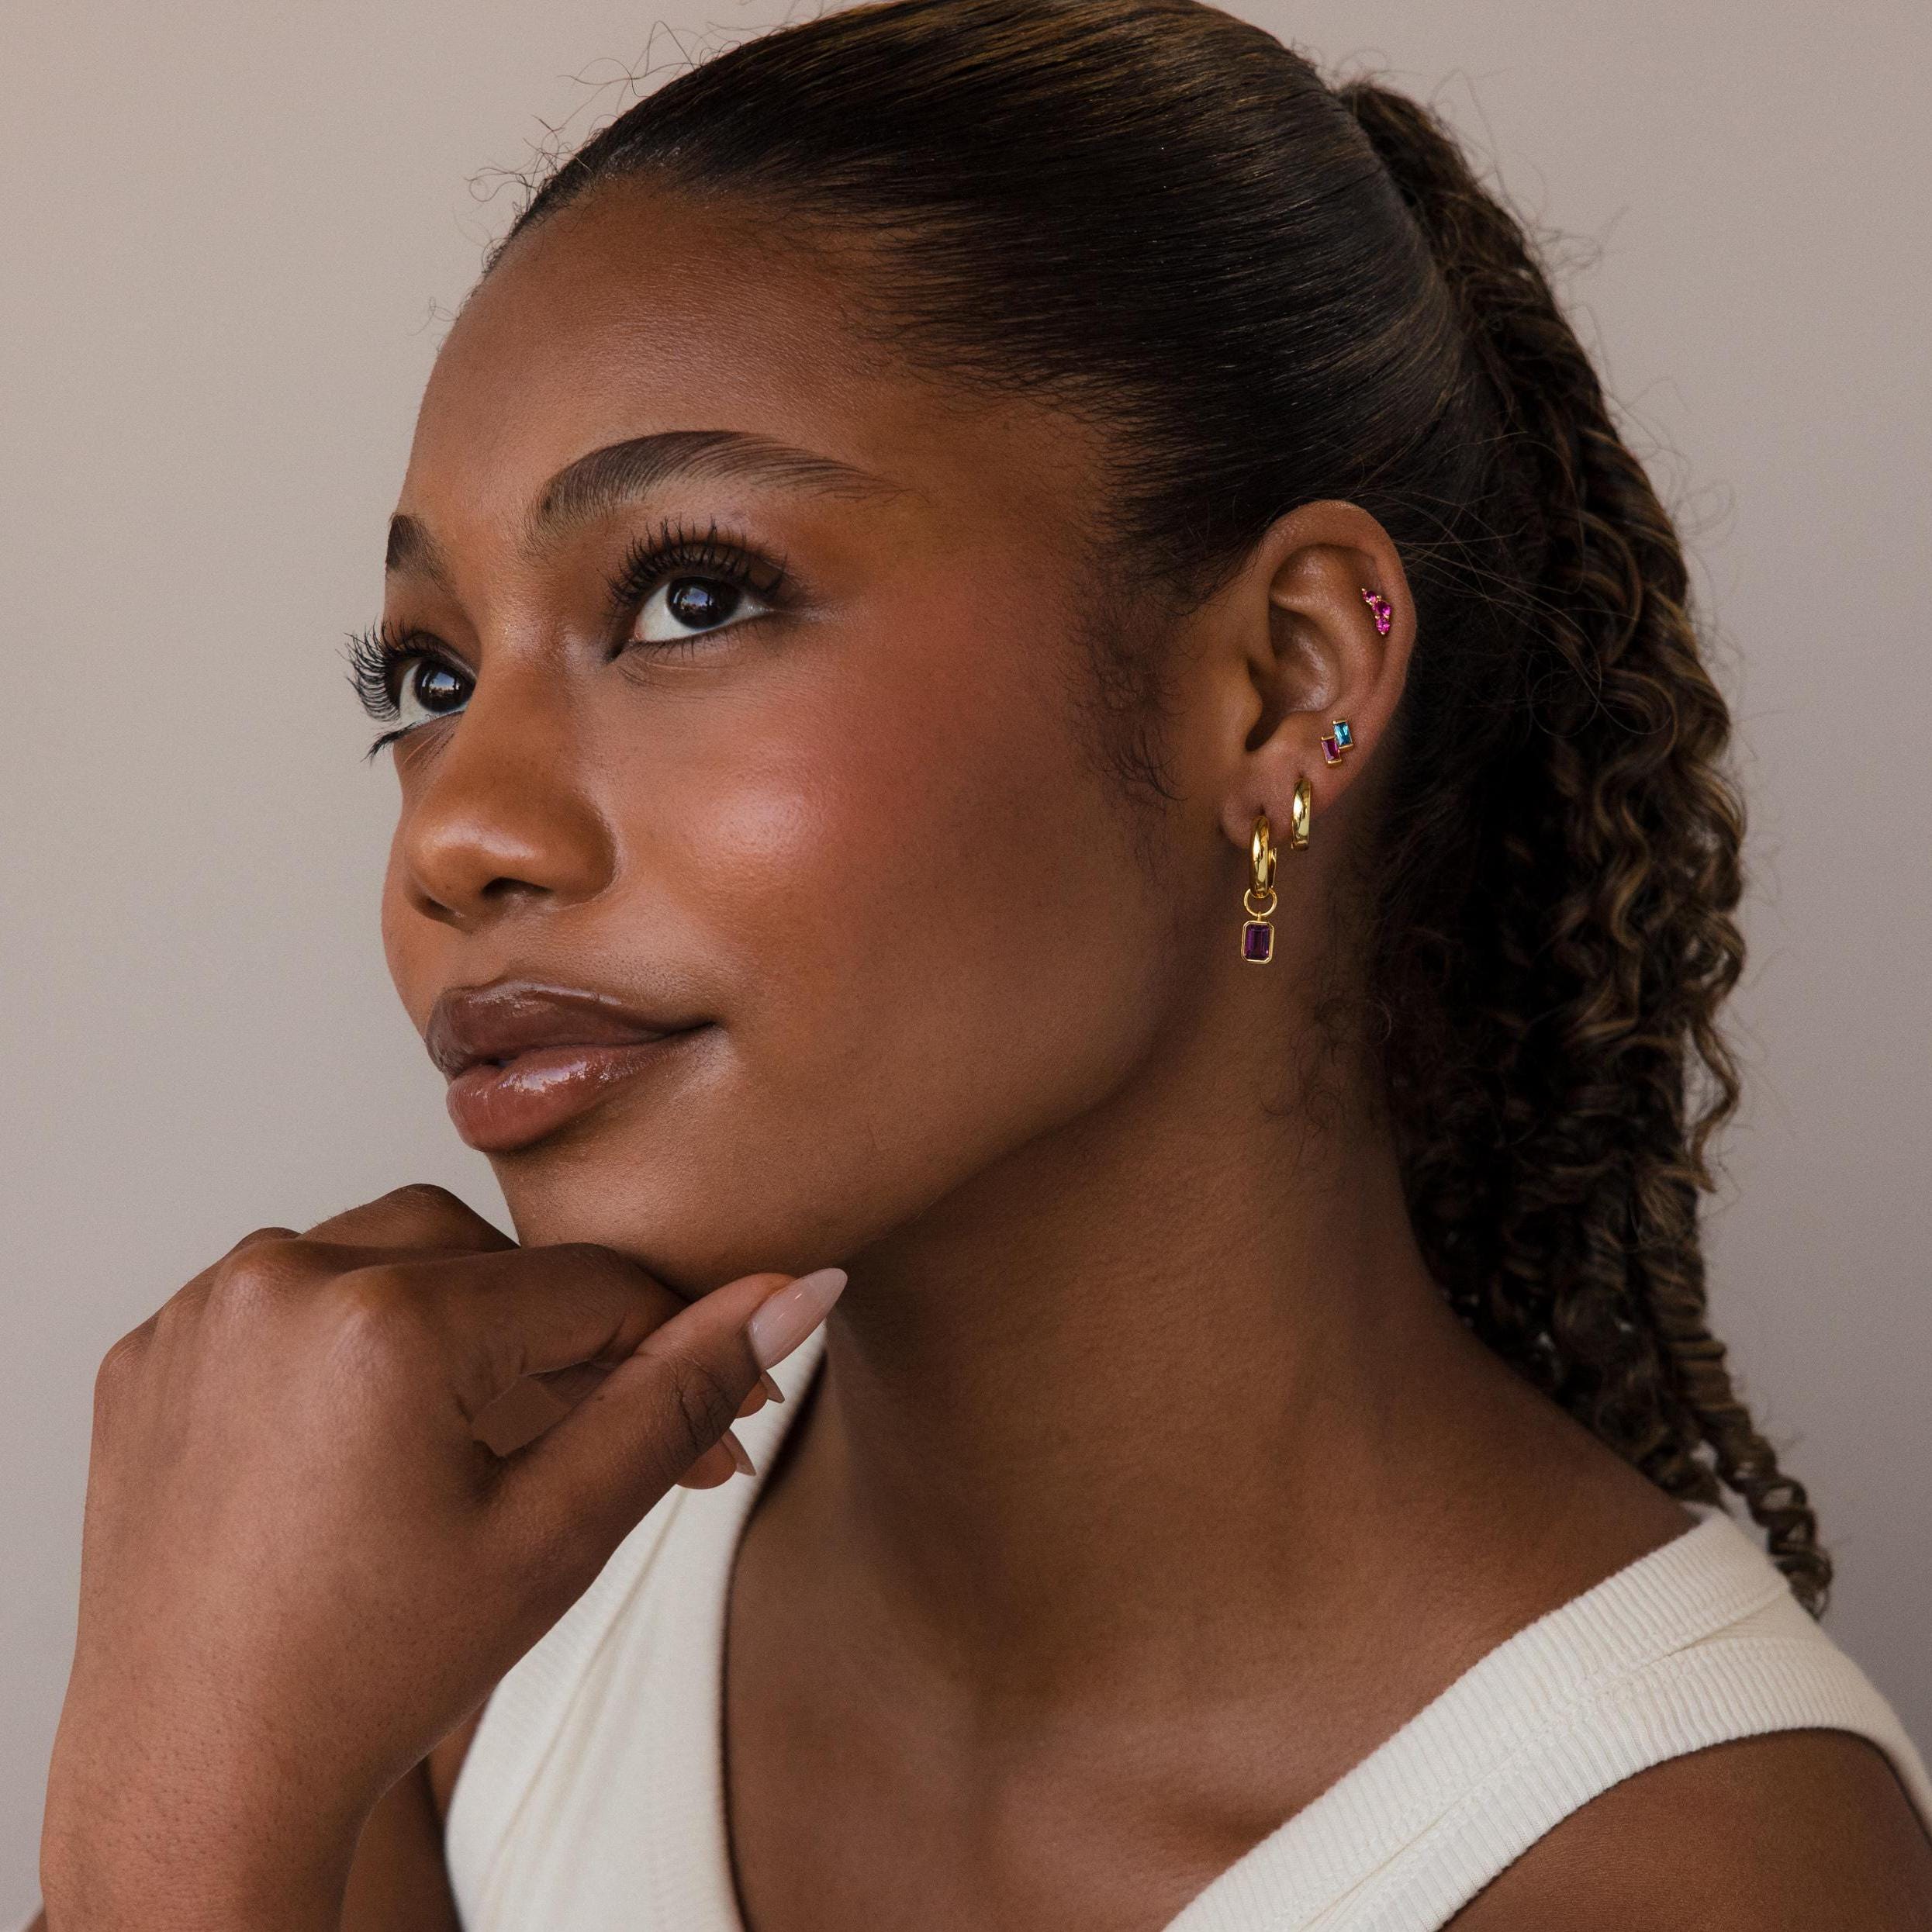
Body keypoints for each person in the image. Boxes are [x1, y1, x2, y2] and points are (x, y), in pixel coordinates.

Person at [33, 0, 1932, 1926]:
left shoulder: (1682, 1871)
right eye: (429, 680)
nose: (456, 830)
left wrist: (162, 1824)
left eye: (693, 594)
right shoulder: (447, 1618)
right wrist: (211, 1745)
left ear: (1283, 681)